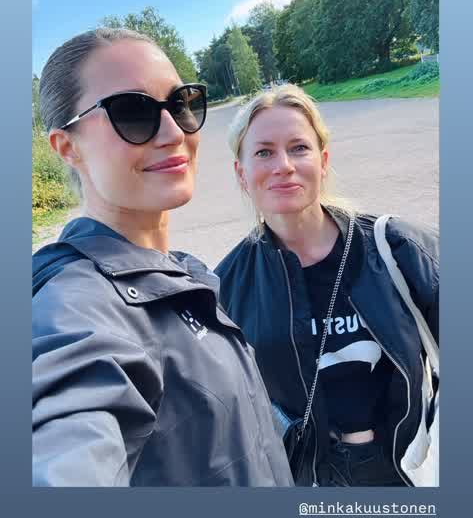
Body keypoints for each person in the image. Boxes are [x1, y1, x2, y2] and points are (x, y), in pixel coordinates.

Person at [32, 28, 294, 487]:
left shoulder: (182, 274)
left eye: (181, 103)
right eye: (132, 112)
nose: (174, 132)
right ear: (67, 147)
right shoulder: (77, 309)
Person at [215, 84, 439, 487]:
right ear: (241, 173)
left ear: (323, 161)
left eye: (299, 147)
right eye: (263, 152)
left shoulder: (396, 249)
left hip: (412, 470)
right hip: (311, 483)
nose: (283, 165)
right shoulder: (227, 286)